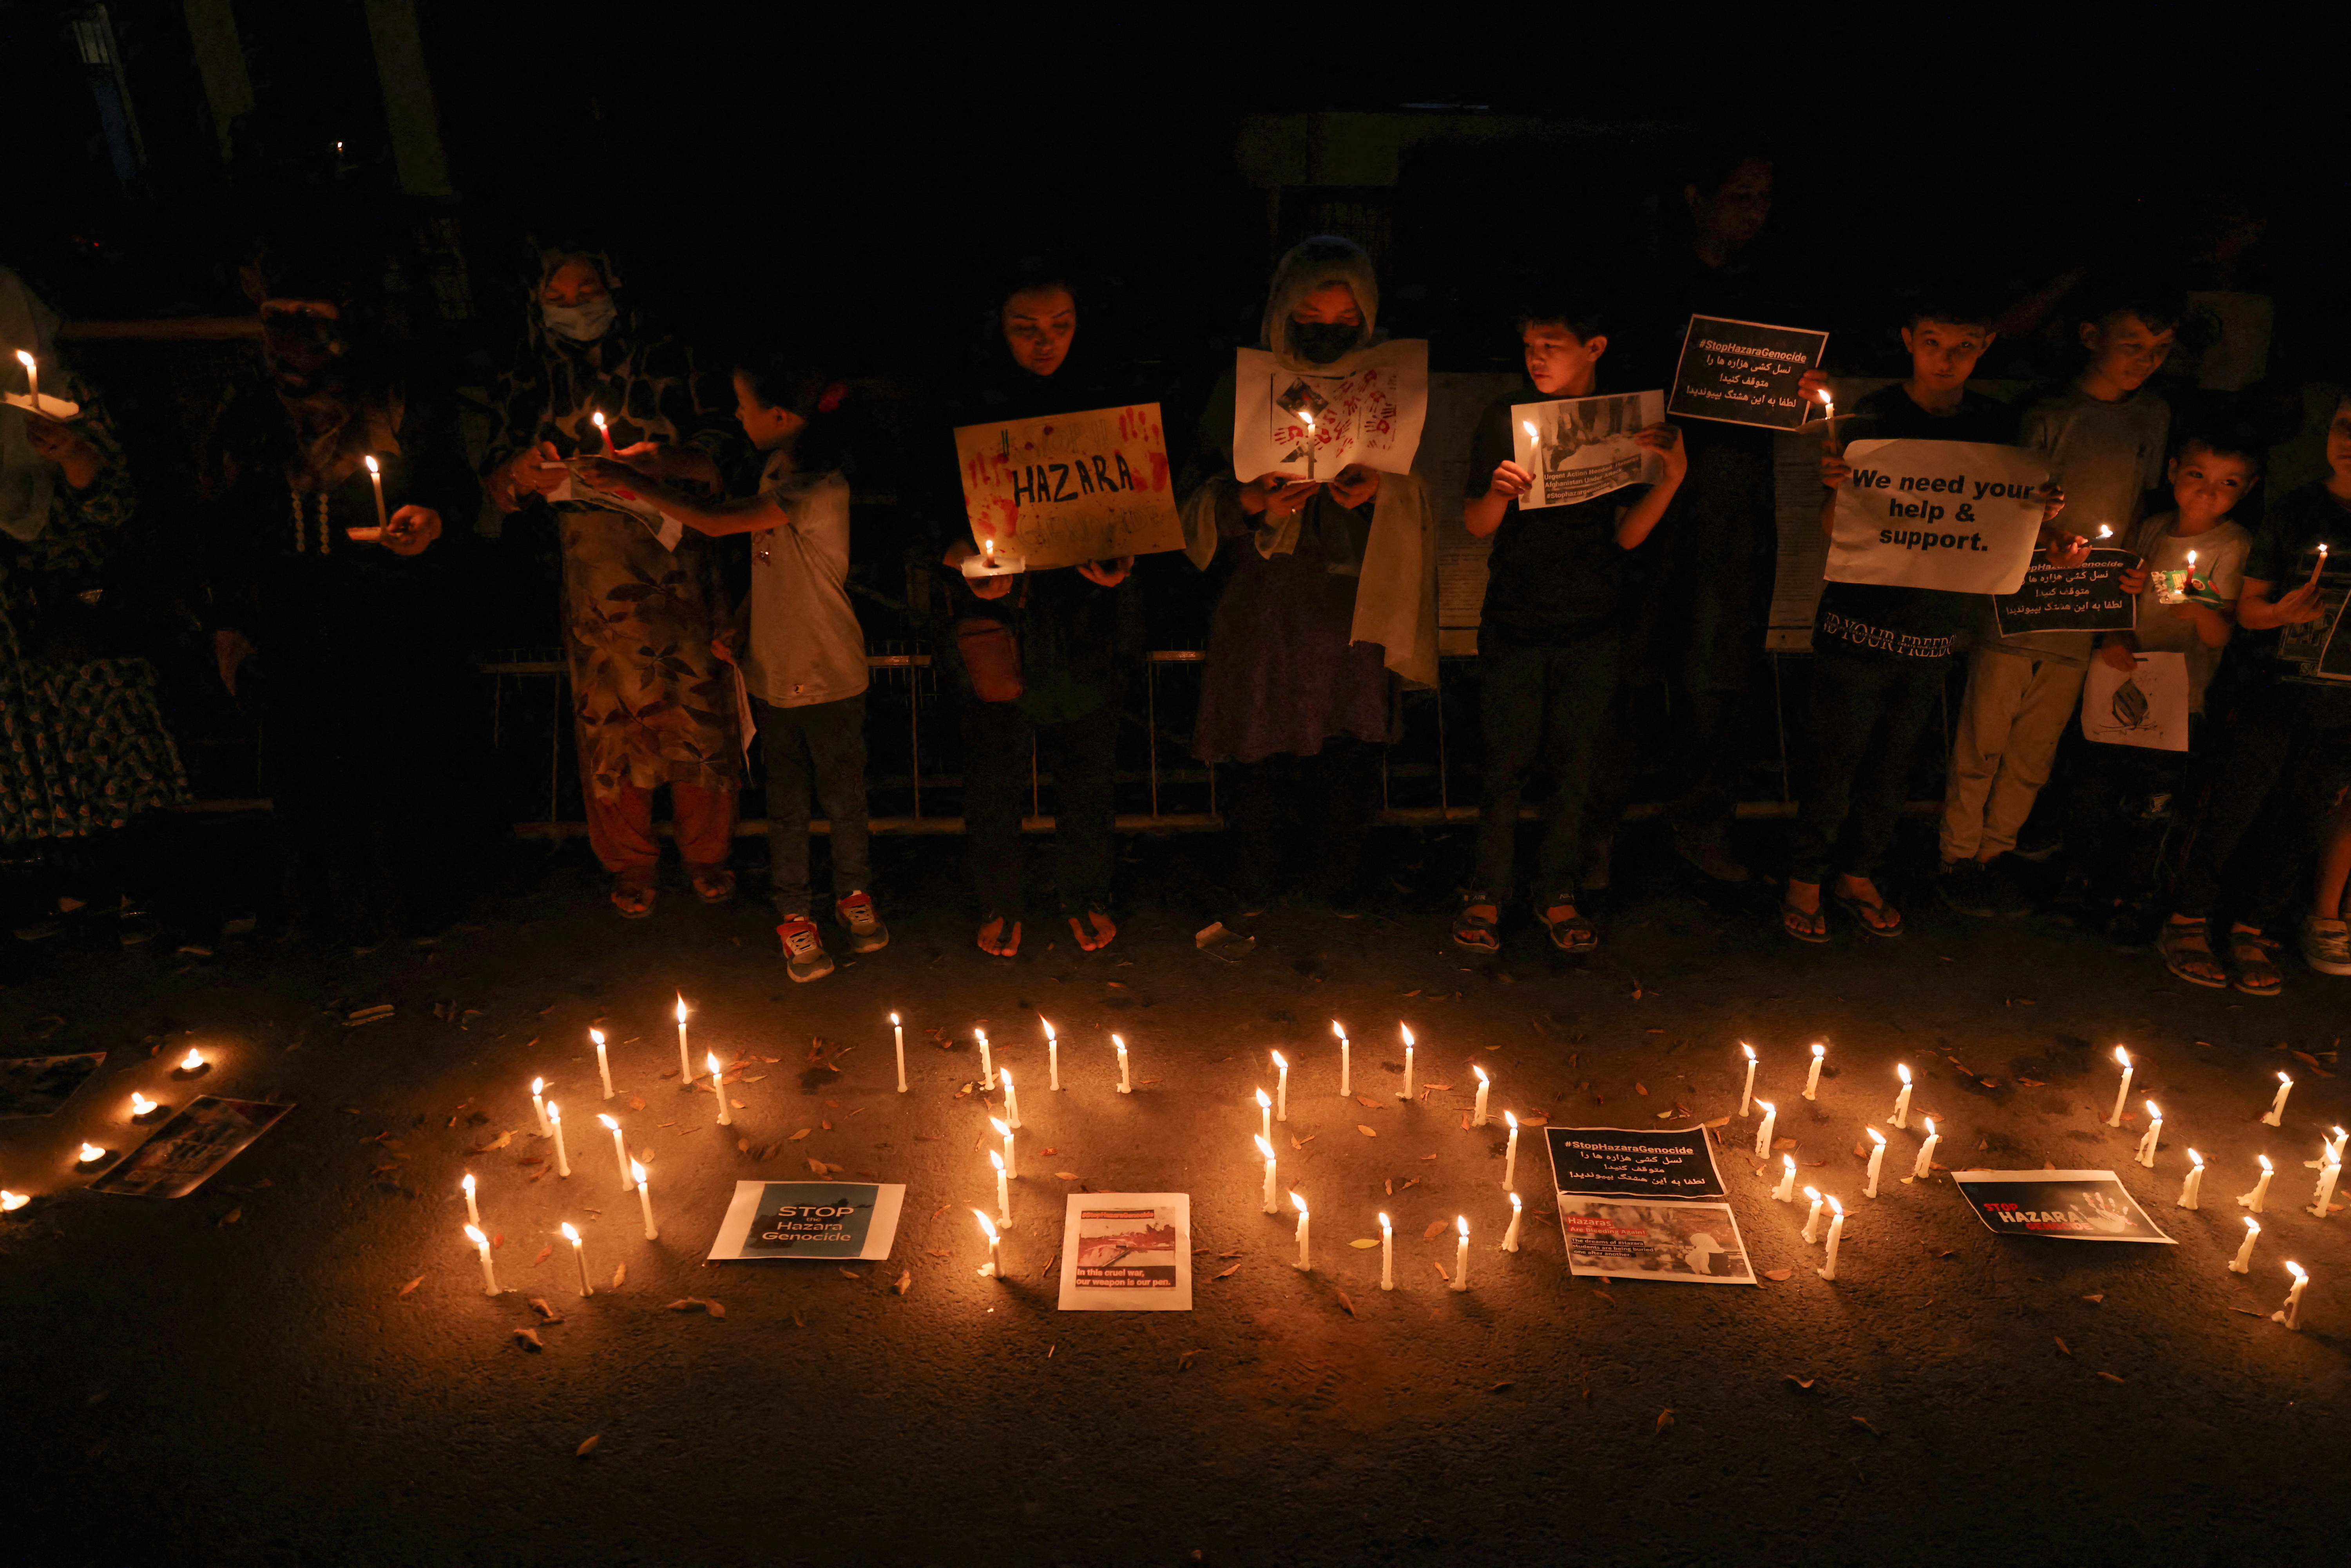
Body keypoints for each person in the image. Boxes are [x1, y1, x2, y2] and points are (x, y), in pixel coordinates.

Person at [195, 233, 482, 941]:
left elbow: (452, 485)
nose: (292, 333)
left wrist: (431, 519)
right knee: (308, 759)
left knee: (396, 749)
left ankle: (415, 903)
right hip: (287, 609)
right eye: (277, 314)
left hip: (386, 600)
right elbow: (223, 519)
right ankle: (333, 914)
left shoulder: (394, 391)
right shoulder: (247, 408)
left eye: (309, 312)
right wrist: (230, 619)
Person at [585, 347, 882, 982]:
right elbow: (774, 564)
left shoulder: (817, 485)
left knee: (843, 797)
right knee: (786, 804)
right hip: (775, 672)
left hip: (830, 671)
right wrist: (742, 623)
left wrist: (635, 483)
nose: (738, 417)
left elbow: (721, 523)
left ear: (779, 414)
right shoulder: (776, 467)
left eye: (745, 407)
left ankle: (854, 894)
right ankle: (795, 915)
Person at [1179, 236, 1438, 910]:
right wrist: (1251, 500)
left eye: (1346, 322)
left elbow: (1424, 486)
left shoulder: (1391, 389)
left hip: (1354, 596)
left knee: (1348, 735)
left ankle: (1339, 877)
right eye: (1311, 320)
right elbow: (1191, 496)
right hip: (1265, 596)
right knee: (1260, 730)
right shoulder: (1237, 389)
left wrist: (1380, 492)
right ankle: (1254, 877)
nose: (1328, 333)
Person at [483, 245, 741, 918]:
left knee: (696, 703)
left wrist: (662, 462)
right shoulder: (526, 370)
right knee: (610, 717)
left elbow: (724, 449)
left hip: (678, 558)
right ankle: (629, 859)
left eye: (587, 289)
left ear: (615, 286)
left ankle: (708, 847)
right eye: (559, 296)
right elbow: (497, 476)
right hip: (590, 566)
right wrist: (522, 473)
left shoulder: (671, 356)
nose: (575, 306)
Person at [1784, 300, 2038, 941]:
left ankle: (1859, 873)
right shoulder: (1872, 415)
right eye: (1932, 342)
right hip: (1857, 623)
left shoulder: (1996, 425)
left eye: (1964, 345)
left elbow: (2001, 522)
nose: (1947, 359)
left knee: (1893, 767)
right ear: (1907, 341)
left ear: (1985, 348)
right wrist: (1838, 489)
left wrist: (2041, 509)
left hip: (1933, 631)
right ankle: (1805, 879)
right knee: (1834, 760)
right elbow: (1828, 529)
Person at [1452, 292, 1686, 952]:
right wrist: (1498, 493)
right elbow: (1475, 525)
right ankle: (1487, 890)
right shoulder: (1506, 417)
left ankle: (1557, 890)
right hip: (1516, 616)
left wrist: (1671, 480)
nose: (1537, 359)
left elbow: (1627, 536)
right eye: (1529, 347)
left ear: (1595, 348)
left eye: (1550, 346)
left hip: (1594, 619)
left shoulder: (1621, 422)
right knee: (1506, 761)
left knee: (1576, 762)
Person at [1940, 286, 2178, 916]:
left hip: (2083, 613)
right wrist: (2042, 534)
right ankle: (1955, 855)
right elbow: (2002, 502)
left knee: (2034, 751)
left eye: (2160, 349)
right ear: (2091, 337)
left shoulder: (2151, 417)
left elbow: (2140, 513)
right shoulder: (2046, 412)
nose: (2145, 360)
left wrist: (2131, 594)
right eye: (2132, 344)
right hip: (2016, 607)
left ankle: (1996, 854)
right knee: (1983, 738)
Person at [933, 269, 1141, 958]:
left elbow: (1133, 502)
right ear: (998, 327)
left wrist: (1121, 562)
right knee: (994, 768)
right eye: (1026, 329)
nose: (1046, 344)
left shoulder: (1107, 398)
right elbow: (919, 513)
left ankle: (1085, 892)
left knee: (1086, 766)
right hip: (998, 620)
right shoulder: (964, 403)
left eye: (1061, 327)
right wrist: (961, 556)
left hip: (1083, 618)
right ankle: (1000, 899)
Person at [1622, 139, 1789, 884]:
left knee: (1721, 668)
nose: (1754, 214)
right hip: (1651, 495)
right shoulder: (1648, 283)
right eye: (1740, 197)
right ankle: (1600, 826)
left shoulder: (1770, 288)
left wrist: (1800, 385)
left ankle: (1700, 820)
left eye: (1763, 200)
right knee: (1630, 658)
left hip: (1736, 501)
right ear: (1697, 198)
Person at [2158, 395, 2351, 993]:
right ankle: (2188, 918)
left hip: (2344, 708)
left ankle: (2253, 927)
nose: (2350, 440)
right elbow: (2247, 609)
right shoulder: (2299, 509)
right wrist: (2281, 614)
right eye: (2344, 423)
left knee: (2301, 815)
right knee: (2234, 803)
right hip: (2276, 691)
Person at [0, 267, 188, 873]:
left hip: (71, 590)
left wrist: (75, 455)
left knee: (108, 745)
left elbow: (114, 504)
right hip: (10, 616)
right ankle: (68, 878)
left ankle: (151, 879)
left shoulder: (65, 394)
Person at [2057, 431, 2257, 936]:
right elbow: (2124, 594)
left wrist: (2194, 602)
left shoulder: (2232, 544)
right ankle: (2083, 885)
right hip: (2123, 678)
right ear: (2173, 473)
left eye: (2226, 483)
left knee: (2153, 803)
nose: (2208, 492)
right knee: (2096, 787)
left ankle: (2135, 895)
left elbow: (2218, 633)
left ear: (2246, 490)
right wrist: (2114, 637)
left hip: (2179, 699)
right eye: (2197, 476)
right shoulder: (2152, 528)